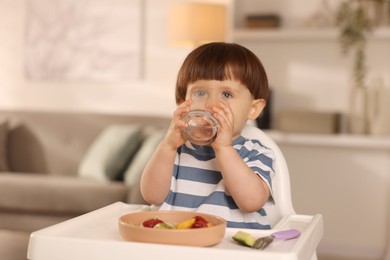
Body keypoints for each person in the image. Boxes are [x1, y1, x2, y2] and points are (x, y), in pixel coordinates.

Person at [140, 42, 275, 229]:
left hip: (232, 248)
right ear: (182, 103)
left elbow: (251, 202)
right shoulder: (174, 151)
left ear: (253, 109)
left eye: (227, 94)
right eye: (200, 92)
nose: (211, 104)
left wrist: (224, 149)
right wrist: (167, 147)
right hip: (180, 244)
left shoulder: (256, 153)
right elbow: (151, 196)